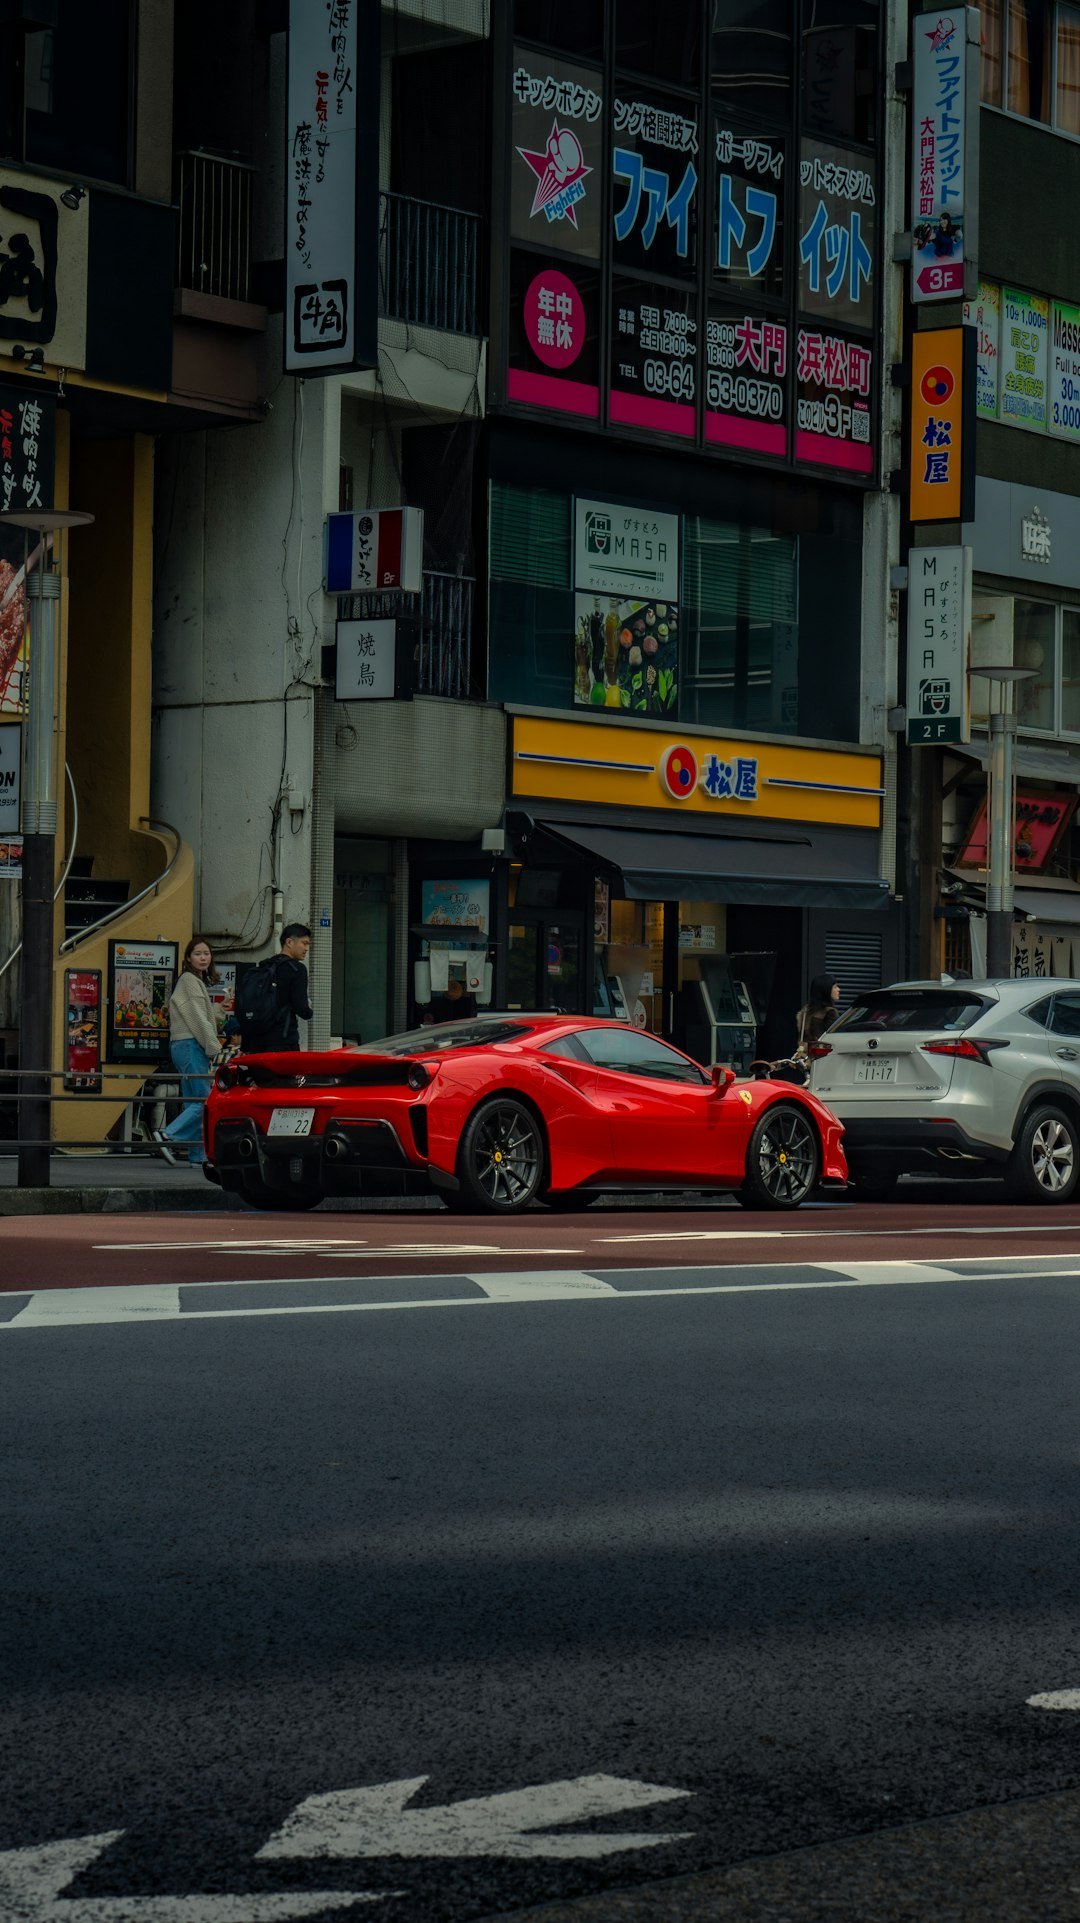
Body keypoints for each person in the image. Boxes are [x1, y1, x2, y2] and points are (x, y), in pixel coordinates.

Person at [154, 936, 221, 1166]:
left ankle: (198, 1156)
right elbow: (198, 1019)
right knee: (203, 1101)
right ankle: (167, 1135)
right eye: (197, 954)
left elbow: (198, 1016)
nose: (203, 957)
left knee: (195, 1100)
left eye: (206, 953)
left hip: (183, 1046)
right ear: (188, 958)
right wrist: (214, 1047)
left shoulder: (191, 980)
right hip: (191, 1045)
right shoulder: (190, 981)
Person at [240, 921, 314, 1053]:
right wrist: (309, 1009)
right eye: (304, 943)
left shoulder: (263, 966)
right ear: (289, 942)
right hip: (283, 1043)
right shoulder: (297, 969)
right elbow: (302, 1009)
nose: (306, 948)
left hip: (255, 1043)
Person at [795, 974, 841, 1055]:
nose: (838, 989)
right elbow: (835, 1039)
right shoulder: (830, 1012)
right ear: (826, 990)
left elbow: (802, 1039)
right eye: (835, 987)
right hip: (823, 1058)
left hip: (806, 1057)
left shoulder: (806, 1011)